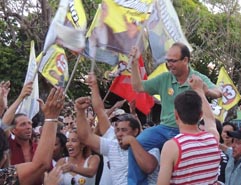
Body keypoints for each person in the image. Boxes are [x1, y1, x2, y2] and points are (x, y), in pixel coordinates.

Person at [129, 42, 222, 184]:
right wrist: (134, 64)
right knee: (136, 145)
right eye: (167, 61)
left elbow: (218, 92)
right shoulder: (164, 78)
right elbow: (137, 86)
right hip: (163, 128)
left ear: (185, 60)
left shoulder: (197, 78)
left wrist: (204, 90)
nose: (169, 64)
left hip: (187, 132)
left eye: (173, 61)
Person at [74, 73, 159, 185]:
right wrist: (80, 112)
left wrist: (133, 142)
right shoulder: (112, 146)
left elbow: (149, 167)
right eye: (117, 129)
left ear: (136, 131)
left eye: (124, 130)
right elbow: (86, 136)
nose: (119, 134)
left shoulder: (149, 147)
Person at [157, 76, 220, 184]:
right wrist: (199, 90)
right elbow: (210, 119)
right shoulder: (213, 138)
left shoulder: (172, 146)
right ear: (200, 115)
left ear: (176, 115)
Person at [0, 87, 65, 184]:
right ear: (13, 130)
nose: (28, 127)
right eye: (23, 124)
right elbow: (4, 125)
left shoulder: (40, 148)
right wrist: (51, 117)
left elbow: (46, 170)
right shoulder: (8, 143)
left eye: (30, 123)